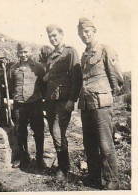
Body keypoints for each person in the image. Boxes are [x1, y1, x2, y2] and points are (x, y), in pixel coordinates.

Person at [77, 17, 124, 190]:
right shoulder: (84, 55)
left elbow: (117, 78)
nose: (84, 35)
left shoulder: (105, 49)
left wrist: (108, 96)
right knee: (89, 143)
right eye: (81, 33)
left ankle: (112, 179)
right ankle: (94, 176)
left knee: (105, 143)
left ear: (94, 31)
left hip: (101, 104)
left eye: (87, 32)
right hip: (86, 104)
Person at [43, 24, 82, 179]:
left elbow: (77, 77)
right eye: (50, 37)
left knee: (58, 132)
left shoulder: (70, 51)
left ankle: (63, 169)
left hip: (63, 100)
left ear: (61, 35)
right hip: (51, 100)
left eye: (55, 36)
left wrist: (72, 100)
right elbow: (50, 77)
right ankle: (63, 165)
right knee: (55, 133)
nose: (52, 39)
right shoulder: (51, 56)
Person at [8, 43, 46, 169]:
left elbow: (43, 85)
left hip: (35, 104)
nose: (23, 55)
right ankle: (24, 157)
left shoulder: (38, 67)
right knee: (20, 132)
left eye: (26, 52)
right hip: (19, 105)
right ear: (17, 53)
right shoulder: (13, 68)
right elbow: (11, 85)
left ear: (30, 52)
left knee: (38, 131)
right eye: (21, 52)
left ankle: (40, 158)